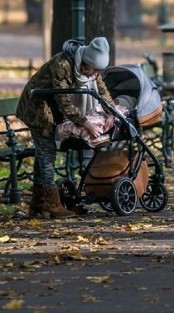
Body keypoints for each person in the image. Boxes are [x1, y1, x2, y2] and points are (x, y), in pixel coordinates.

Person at [16, 37, 115, 218]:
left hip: (52, 108)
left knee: (43, 156)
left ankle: (38, 203)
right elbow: (64, 102)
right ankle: (51, 205)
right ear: (86, 62)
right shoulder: (62, 65)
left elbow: (102, 91)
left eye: (98, 71)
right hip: (37, 107)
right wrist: (87, 124)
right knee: (47, 154)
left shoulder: (92, 67)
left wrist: (111, 113)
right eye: (94, 70)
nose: (95, 74)